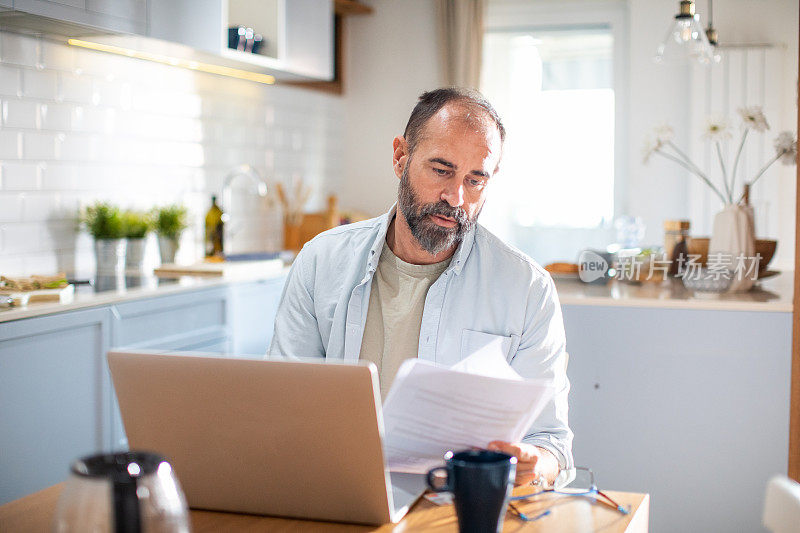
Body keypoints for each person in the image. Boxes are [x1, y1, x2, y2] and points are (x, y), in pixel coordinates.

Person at [269, 87, 572, 486]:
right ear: (400, 157)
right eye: (441, 170)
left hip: (454, 511)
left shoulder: (527, 288)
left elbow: (552, 444)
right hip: (337, 496)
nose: (456, 197)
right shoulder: (321, 261)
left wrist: (535, 464)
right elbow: (280, 406)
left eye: (475, 179)